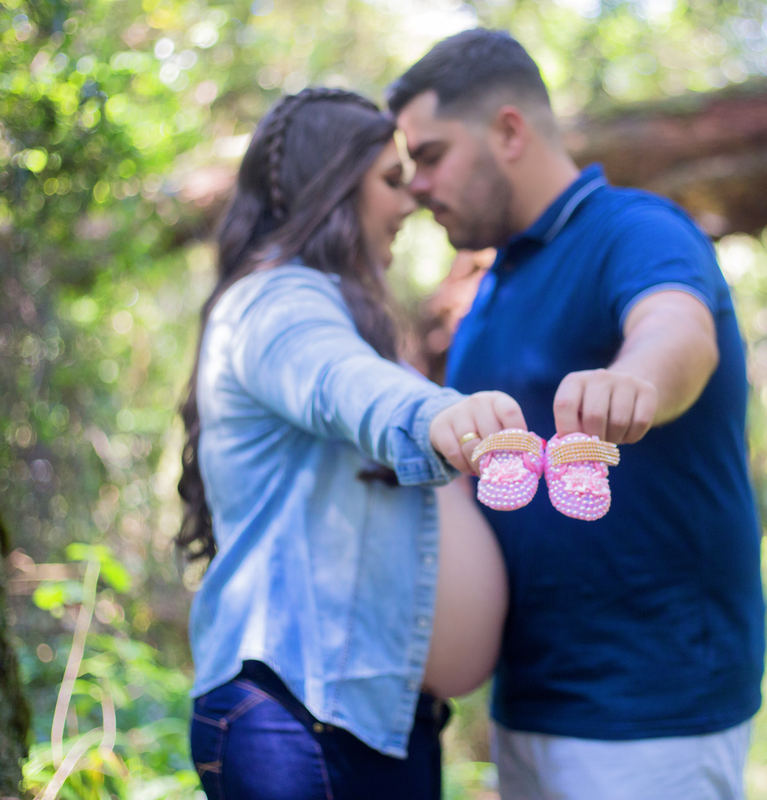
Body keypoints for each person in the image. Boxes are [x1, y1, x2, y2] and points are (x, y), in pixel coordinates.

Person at [389, 30, 766, 800]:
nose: (416, 185)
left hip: (651, 715)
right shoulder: (496, 284)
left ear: (508, 130)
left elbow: (678, 329)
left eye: (430, 155)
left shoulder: (635, 228)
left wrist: (635, 383)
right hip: (529, 705)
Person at [176, 88, 517, 799]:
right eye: (390, 181)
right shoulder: (277, 303)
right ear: (333, 183)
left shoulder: (330, 307)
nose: (409, 201)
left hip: (366, 724)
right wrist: (435, 416)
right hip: (296, 722)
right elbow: (338, 382)